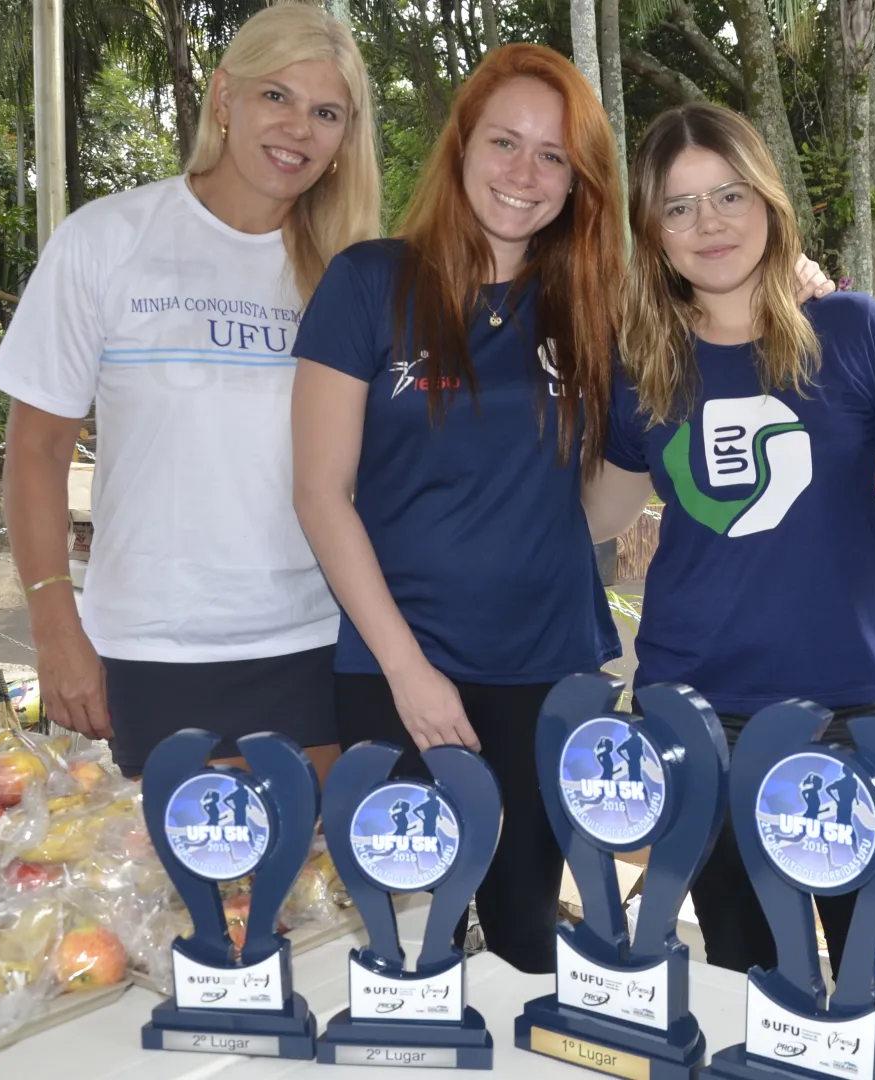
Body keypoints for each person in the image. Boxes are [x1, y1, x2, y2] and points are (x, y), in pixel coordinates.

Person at [291, 43, 627, 976]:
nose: (524, 172)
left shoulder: (590, 303)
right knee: (405, 945)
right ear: (462, 146)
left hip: (547, 671)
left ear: (577, 181)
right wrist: (408, 673)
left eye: (553, 156)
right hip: (400, 669)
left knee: (524, 936)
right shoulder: (369, 282)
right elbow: (319, 493)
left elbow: (601, 502)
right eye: (504, 142)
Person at [0, 4, 380, 779]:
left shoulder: (356, 274)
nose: (298, 129)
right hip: (153, 652)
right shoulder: (107, 240)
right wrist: (55, 627)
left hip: (321, 645)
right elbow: (36, 451)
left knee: (316, 863)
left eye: (326, 112)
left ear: (345, 139)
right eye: (277, 96)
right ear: (225, 98)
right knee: (161, 865)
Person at [581, 103, 875, 977]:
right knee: (747, 983)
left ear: (769, 200)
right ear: (653, 232)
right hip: (698, 715)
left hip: (853, 711)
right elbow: (597, 514)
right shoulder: (640, 360)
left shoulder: (856, 331)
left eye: (730, 194)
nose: (710, 223)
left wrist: (866, 591)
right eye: (679, 206)